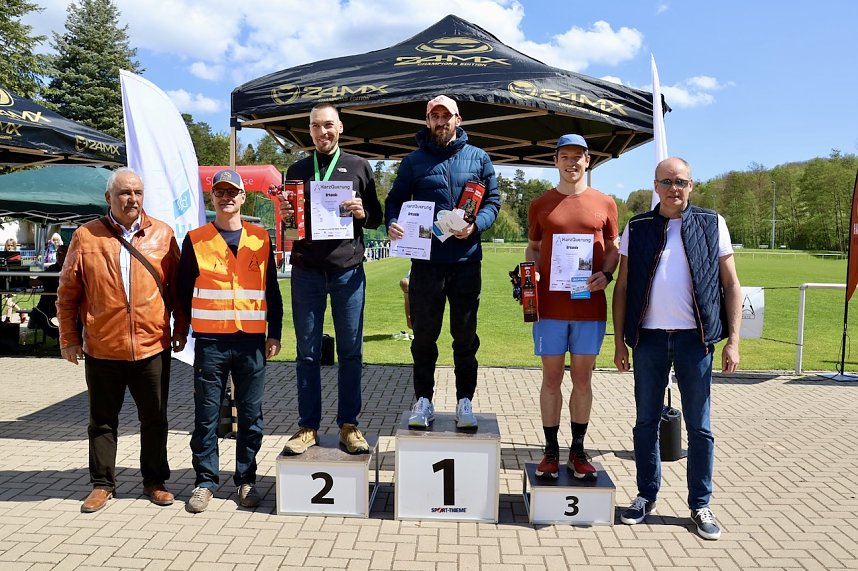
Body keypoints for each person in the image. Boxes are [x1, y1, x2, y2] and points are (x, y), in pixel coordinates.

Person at [612, 157, 742, 540]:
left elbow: (732, 285)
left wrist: (732, 341)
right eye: (667, 182)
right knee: (645, 423)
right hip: (649, 340)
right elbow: (621, 288)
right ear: (655, 185)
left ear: (691, 185)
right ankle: (645, 496)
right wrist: (620, 340)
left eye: (681, 182)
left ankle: (700, 504)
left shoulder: (711, 223)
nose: (674, 189)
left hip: (694, 340)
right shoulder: (637, 226)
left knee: (699, 427)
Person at [56, 167, 188, 513]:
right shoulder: (86, 237)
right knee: (101, 420)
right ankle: (102, 484)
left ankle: (155, 481)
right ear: (109, 198)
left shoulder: (162, 233)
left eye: (138, 193)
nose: (132, 199)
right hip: (103, 345)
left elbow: (176, 289)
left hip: (151, 344)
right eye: (125, 193)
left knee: (155, 418)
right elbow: (68, 293)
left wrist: (180, 328)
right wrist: (69, 338)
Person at [385, 95, 500, 429]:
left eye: (446, 116)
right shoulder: (413, 162)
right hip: (426, 264)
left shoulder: (479, 158)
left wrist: (475, 225)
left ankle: (465, 401)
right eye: (434, 116)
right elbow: (394, 201)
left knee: (465, 338)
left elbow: (492, 202)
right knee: (424, 338)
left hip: (466, 262)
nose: (440, 121)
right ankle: (424, 401)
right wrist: (393, 222)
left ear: (458, 120)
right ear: (427, 121)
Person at [278, 103, 382, 456]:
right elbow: (290, 225)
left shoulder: (358, 166)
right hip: (306, 270)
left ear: (340, 127)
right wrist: (286, 215)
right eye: (315, 126)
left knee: (350, 351)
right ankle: (307, 426)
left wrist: (362, 212)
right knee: (307, 352)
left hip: (348, 270)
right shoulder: (297, 169)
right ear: (309, 131)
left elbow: (375, 218)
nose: (322, 132)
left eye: (328, 125)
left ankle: (349, 425)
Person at [177, 169, 283, 513]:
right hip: (211, 342)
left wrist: (275, 332)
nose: (226, 198)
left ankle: (246, 480)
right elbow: (181, 291)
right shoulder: (195, 240)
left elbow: (272, 290)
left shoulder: (260, 239)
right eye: (219, 192)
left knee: (251, 416)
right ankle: (205, 482)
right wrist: (182, 329)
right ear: (213, 198)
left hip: (251, 342)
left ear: (242, 198)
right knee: (207, 416)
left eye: (232, 192)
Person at [525, 134, 619, 481]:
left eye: (578, 157)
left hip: (588, 306)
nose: (572, 162)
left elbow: (612, 249)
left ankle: (577, 450)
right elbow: (533, 248)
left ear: (588, 161)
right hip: (549, 307)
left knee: (582, 379)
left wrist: (606, 275)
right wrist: (530, 275)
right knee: (551, 379)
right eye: (565, 156)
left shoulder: (605, 203)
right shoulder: (540, 204)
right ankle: (551, 451)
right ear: (556, 161)